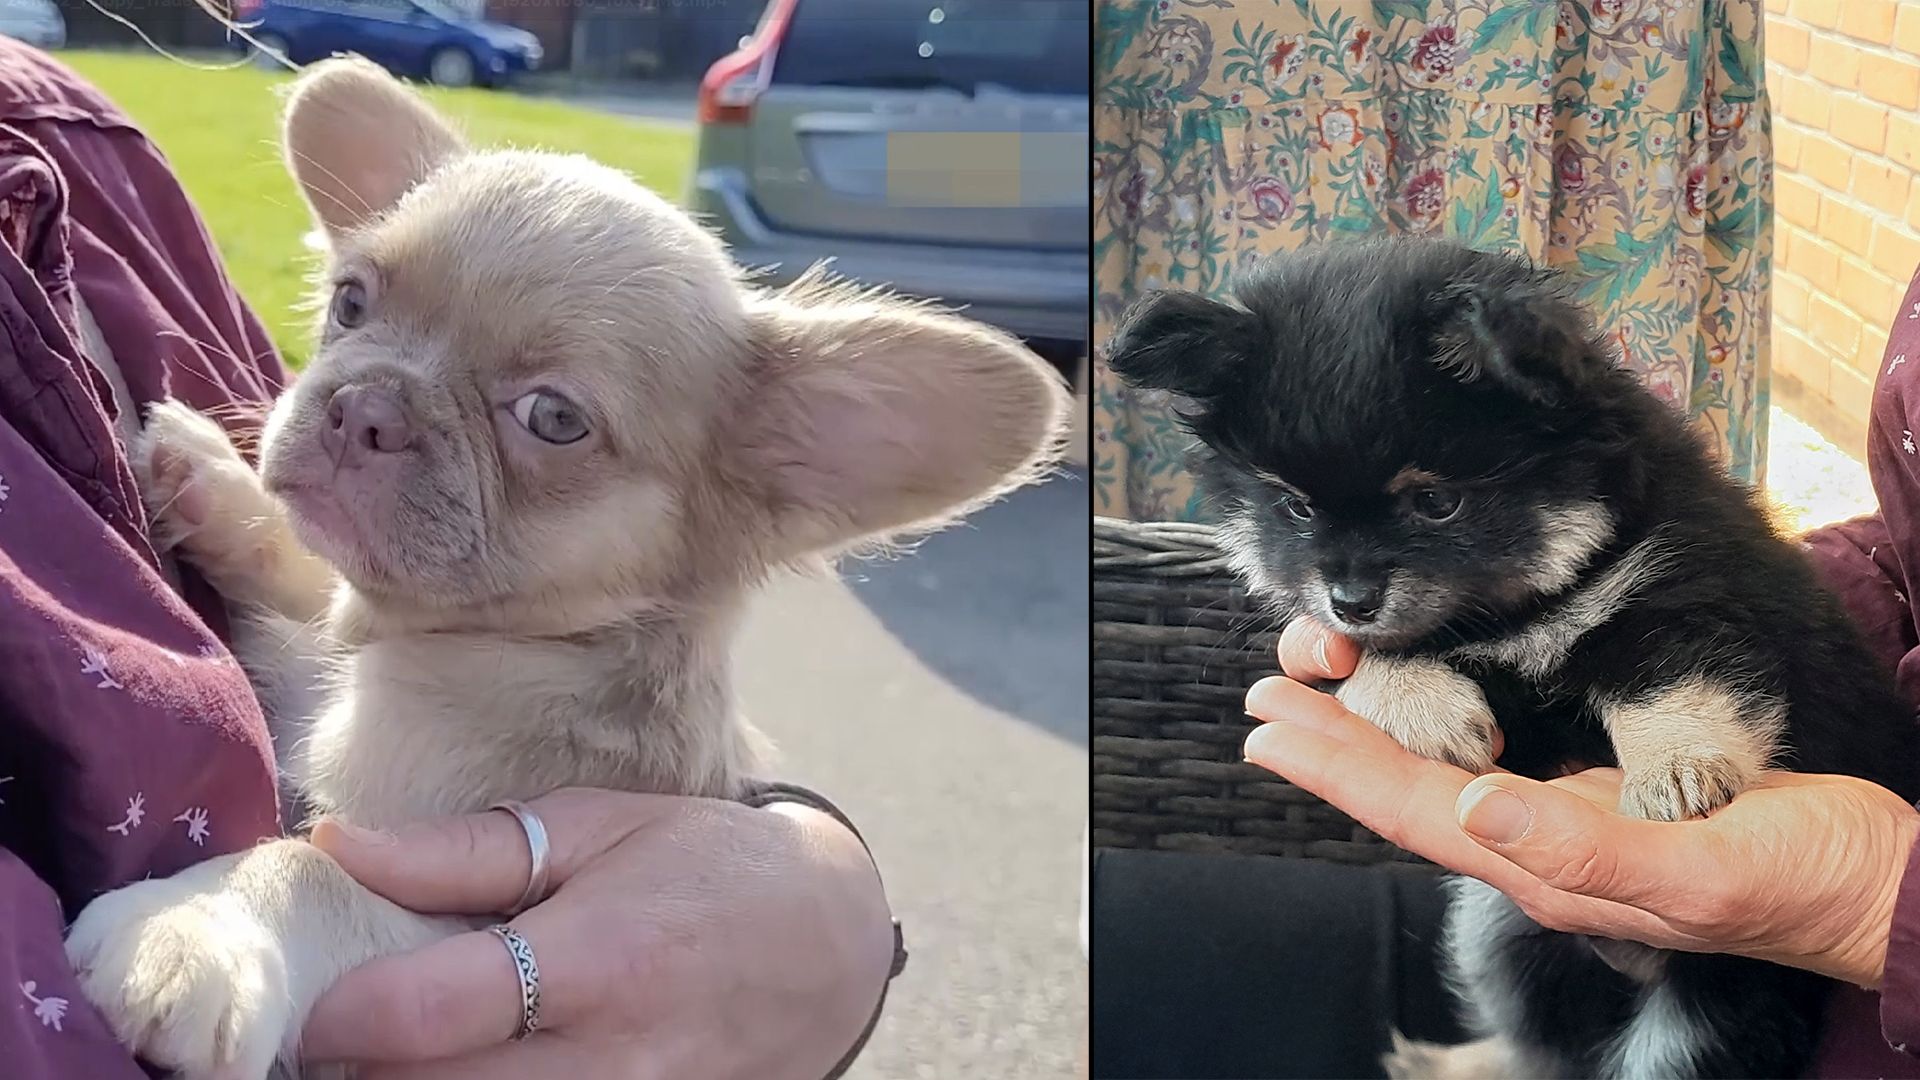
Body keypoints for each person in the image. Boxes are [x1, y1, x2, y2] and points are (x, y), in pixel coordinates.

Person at [0, 40, 897, 1079]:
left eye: (550, 418)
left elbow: (444, 893)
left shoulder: (73, 147)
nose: (366, 408)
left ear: (760, 490)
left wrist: (824, 894)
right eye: (356, 306)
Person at [1091, 250, 1920, 1080]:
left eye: (1433, 502)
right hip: (1557, 884)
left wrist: (1868, 901)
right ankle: (1528, 1058)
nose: (1348, 582)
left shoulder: (1648, 524)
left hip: (1803, 963)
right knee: (1112, 927)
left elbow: (1682, 627)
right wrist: (1377, 678)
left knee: (1696, 1037)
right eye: (1299, 510)